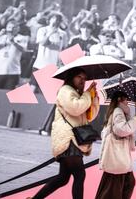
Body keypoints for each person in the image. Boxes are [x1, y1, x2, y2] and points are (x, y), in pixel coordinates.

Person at [28, 67, 100, 199]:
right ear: (71, 77)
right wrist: (87, 95)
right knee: (79, 174)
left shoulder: (78, 93)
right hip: (68, 139)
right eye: (79, 77)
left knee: (63, 178)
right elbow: (76, 108)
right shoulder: (65, 90)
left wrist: (93, 98)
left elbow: (89, 116)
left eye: (84, 79)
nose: (83, 81)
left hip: (74, 138)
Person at [96, 90, 136, 199]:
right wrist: (135, 120)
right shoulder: (118, 111)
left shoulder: (118, 111)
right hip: (118, 156)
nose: (127, 102)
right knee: (115, 188)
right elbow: (121, 129)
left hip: (117, 156)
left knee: (121, 184)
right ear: (120, 99)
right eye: (126, 99)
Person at [0, 19, 28, 89]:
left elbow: (24, 50)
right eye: (9, 27)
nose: (11, 29)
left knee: (9, 96)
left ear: (18, 29)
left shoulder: (22, 38)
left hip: (13, 72)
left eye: (13, 27)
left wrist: (13, 42)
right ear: (6, 28)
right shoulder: (1, 37)